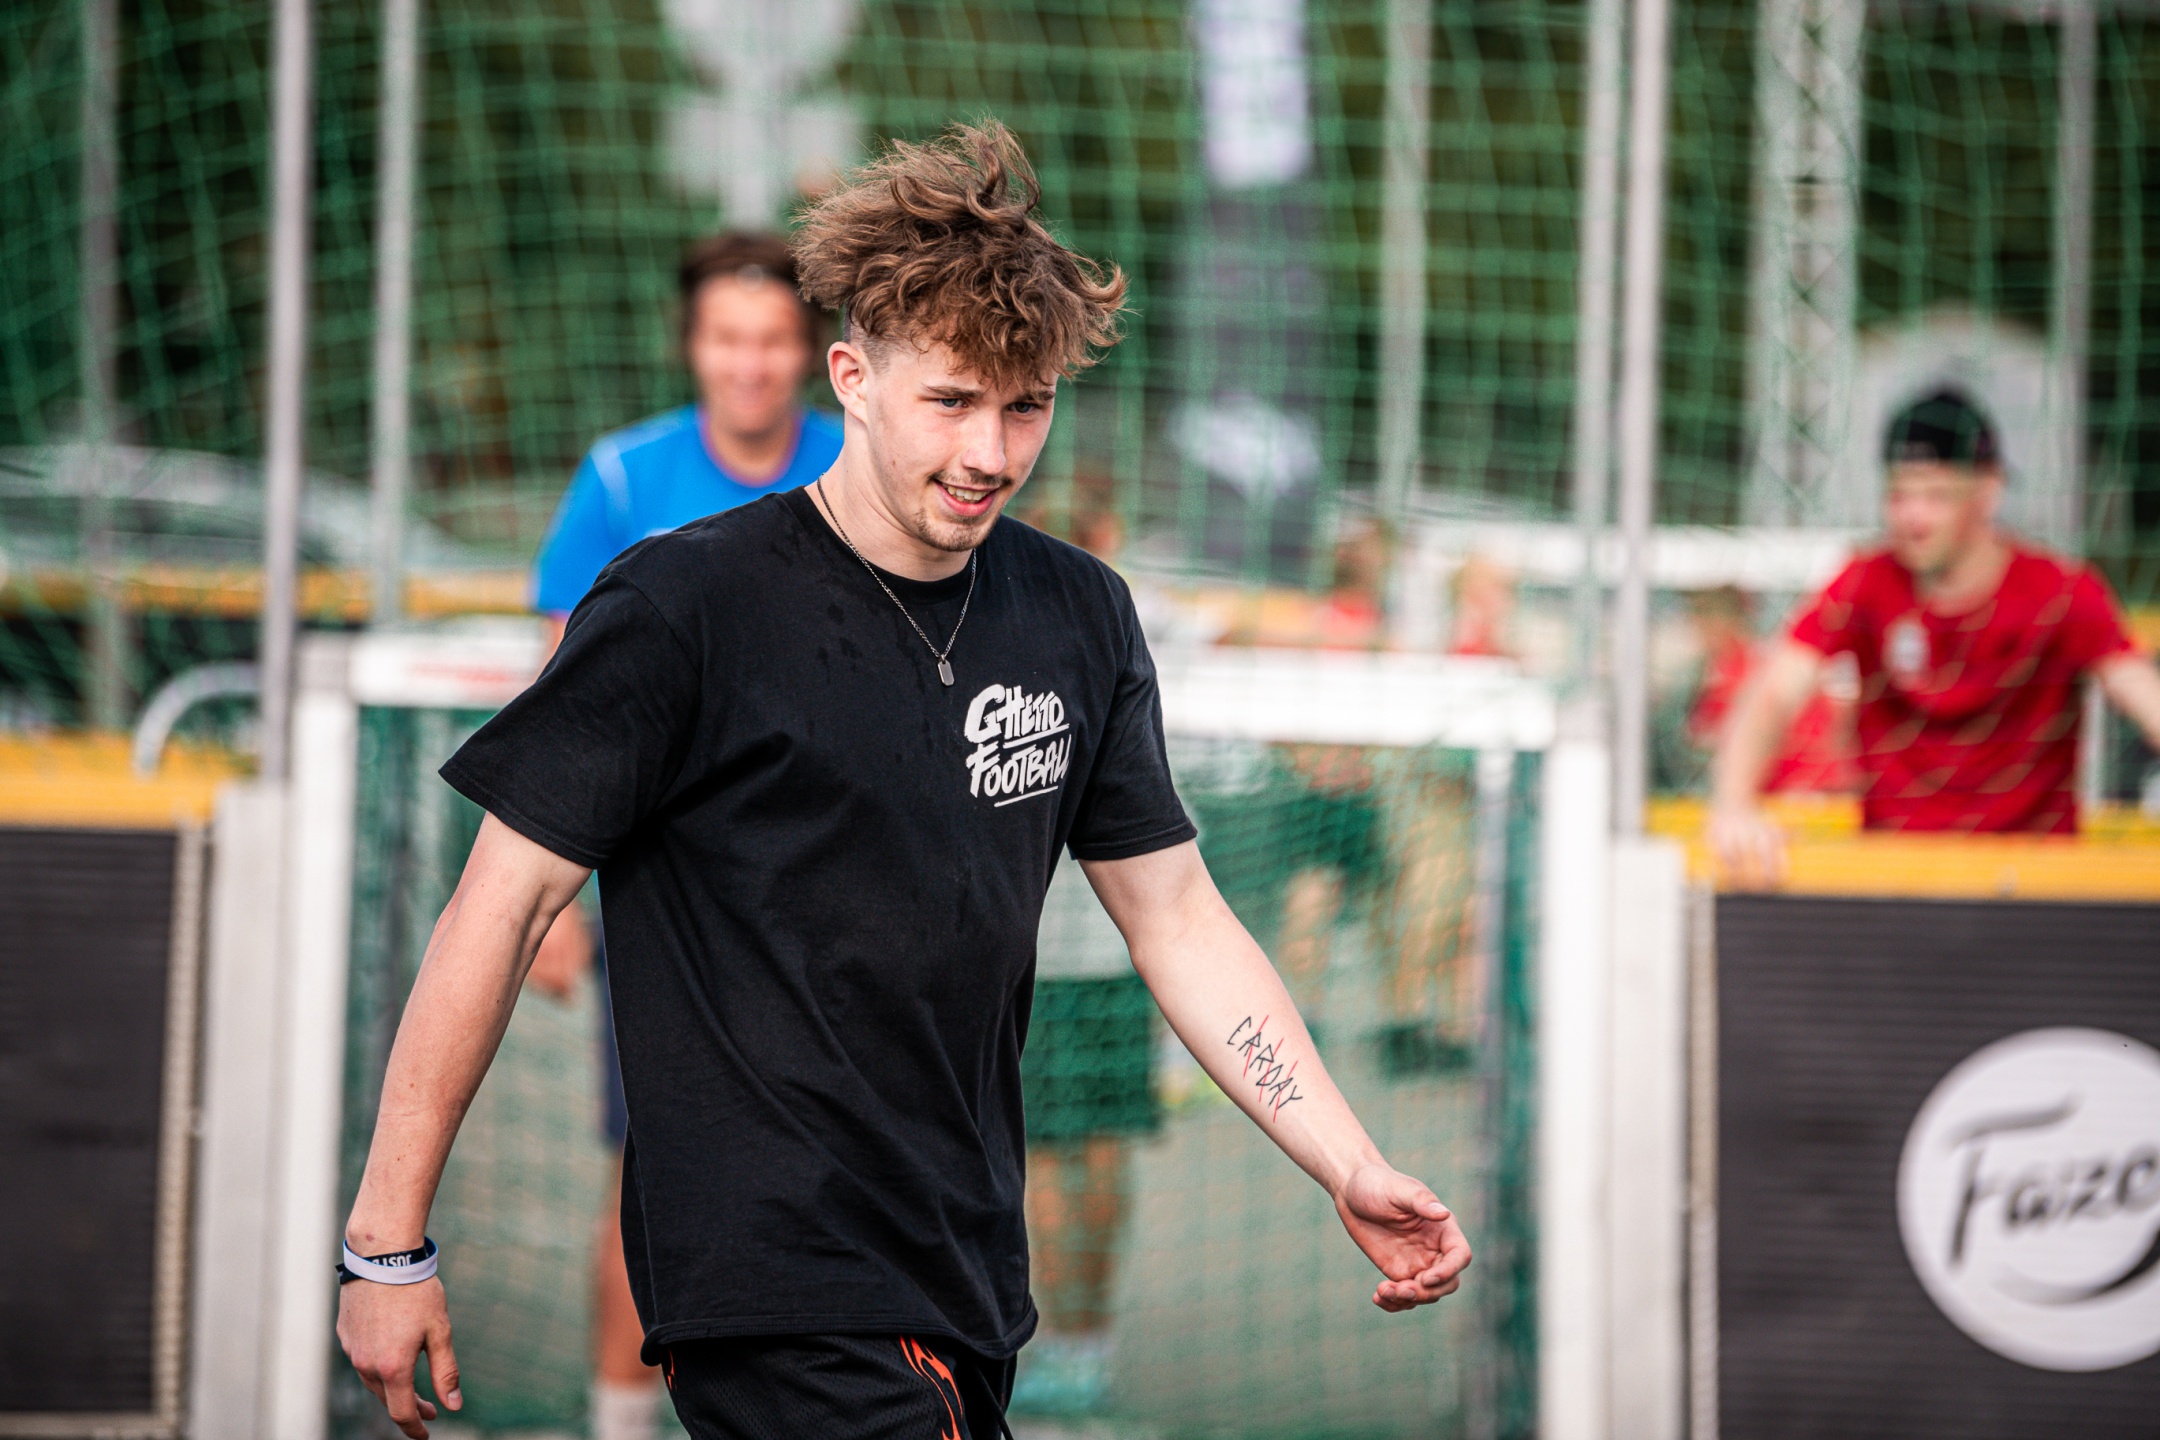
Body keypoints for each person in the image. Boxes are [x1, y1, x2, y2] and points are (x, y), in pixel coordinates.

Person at [334, 121, 1472, 1440]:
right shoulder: (684, 603)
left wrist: (1347, 1159)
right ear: (853, 379)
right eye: (951, 401)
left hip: (964, 1273)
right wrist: (386, 1244)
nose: (990, 451)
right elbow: (501, 904)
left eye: (1026, 406)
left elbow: (1176, 918)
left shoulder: (1078, 614)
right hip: (775, 1280)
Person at [518, 228, 839, 1440]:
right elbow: (564, 701)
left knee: (832, 1179)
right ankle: (620, 1423)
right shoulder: (622, 479)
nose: (749, 363)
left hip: (827, 896)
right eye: (727, 338)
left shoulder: (858, 466)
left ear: (810, 351)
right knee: (652, 1175)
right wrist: (550, 899)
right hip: (665, 902)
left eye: (771, 339)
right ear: (693, 344)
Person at [1710, 387, 2160, 885]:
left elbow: (2144, 695)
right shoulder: (1864, 584)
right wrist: (1733, 804)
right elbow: (1773, 692)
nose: (1913, 517)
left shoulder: (2060, 593)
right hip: (1897, 881)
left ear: (1988, 492)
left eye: (1936, 496)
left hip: (2029, 887)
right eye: (1898, 495)